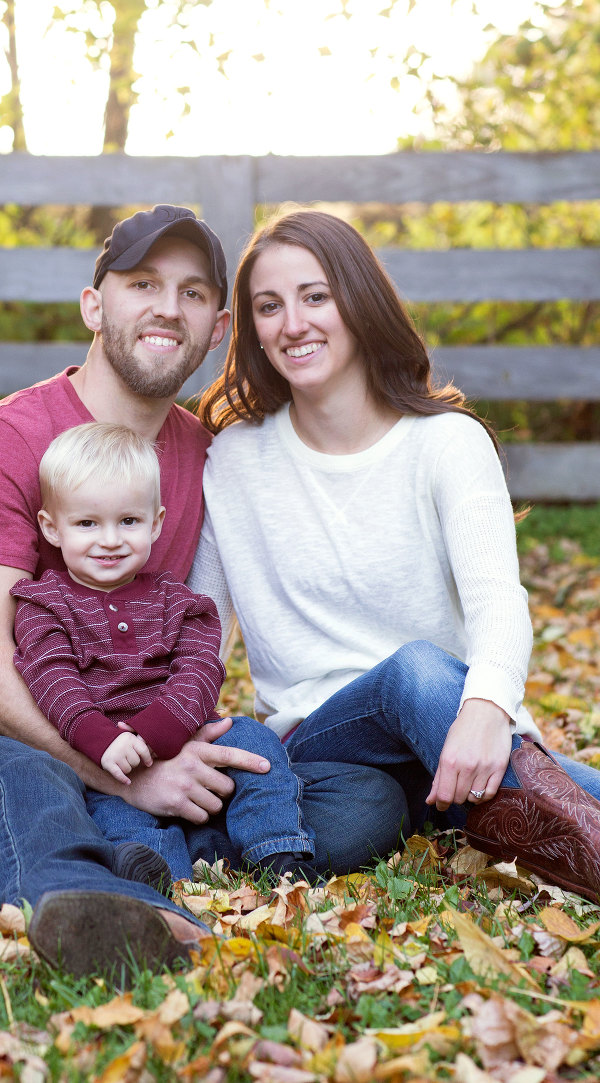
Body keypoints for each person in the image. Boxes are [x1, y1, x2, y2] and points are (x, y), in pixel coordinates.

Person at [0, 205, 400, 981]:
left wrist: (173, 751)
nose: (168, 307)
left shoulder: (207, 456)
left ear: (218, 327)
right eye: (142, 284)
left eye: (193, 293)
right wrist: (131, 776)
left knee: (359, 799)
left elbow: (207, 629)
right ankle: (118, 909)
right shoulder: (5, 441)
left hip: (146, 732)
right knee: (28, 782)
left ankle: (3, 857)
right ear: (93, 305)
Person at [190, 208, 600, 904]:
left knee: (372, 814)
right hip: (323, 741)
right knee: (411, 672)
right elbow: (201, 627)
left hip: (450, 729)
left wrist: (486, 709)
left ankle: (447, 810)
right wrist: (177, 739)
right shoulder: (234, 460)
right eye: (269, 305)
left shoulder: (447, 442)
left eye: (315, 296)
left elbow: (498, 601)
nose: (293, 323)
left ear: (358, 300)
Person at [11, 420, 317, 882]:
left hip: (185, 730)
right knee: (110, 814)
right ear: (52, 529)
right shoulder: (44, 605)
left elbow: (200, 670)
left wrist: (157, 732)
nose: (110, 539)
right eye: (87, 523)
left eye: (128, 521)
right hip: (106, 758)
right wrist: (104, 740)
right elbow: (53, 680)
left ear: (155, 523)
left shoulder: (178, 601)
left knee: (256, 742)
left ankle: (277, 853)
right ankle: (164, 878)